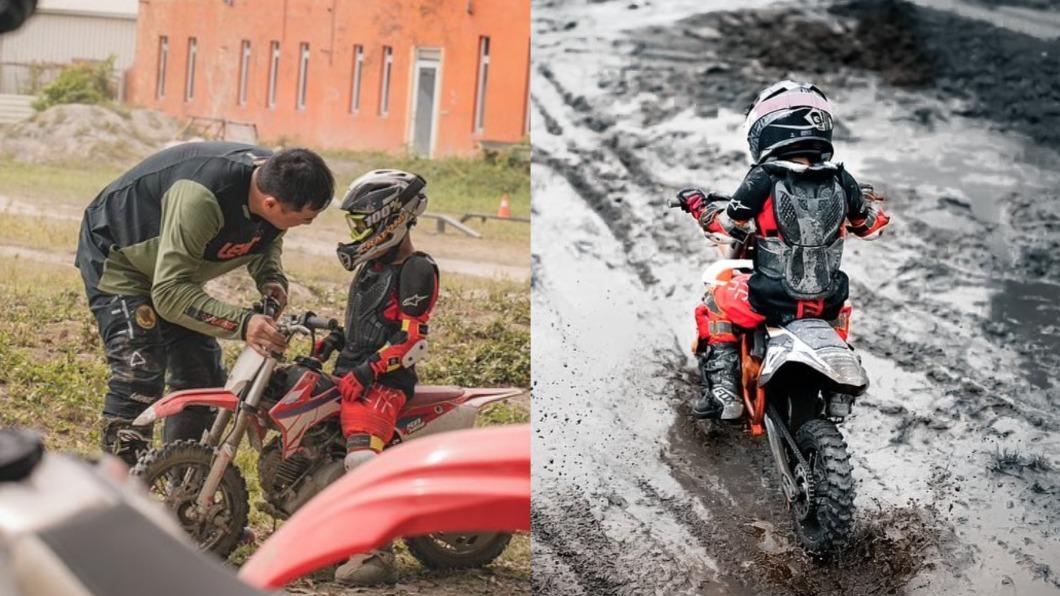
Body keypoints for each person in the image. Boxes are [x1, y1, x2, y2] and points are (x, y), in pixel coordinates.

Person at [75, 142, 334, 465]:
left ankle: (182, 481)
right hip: (121, 259)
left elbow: (266, 237)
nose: (308, 224)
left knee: (201, 373)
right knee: (139, 368)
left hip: (175, 271)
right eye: (305, 218)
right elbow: (169, 294)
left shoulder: (278, 179)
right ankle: (121, 489)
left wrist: (270, 278)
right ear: (270, 203)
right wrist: (244, 323)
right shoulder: (201, 198)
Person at [676, 81, 890, 420]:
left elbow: (727, 226)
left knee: (717, 301)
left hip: (770, 298)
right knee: (839, 311)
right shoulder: (842, 180)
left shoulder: (764, 176)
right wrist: (864, 206)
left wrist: (699, 206)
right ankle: (837, 387)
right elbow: (870, 227)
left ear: (766, 129)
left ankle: (723, 390)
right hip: (827, 301)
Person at [318, 169, 439, 585]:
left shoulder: (416, 270)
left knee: (361, 455)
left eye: (360, 224)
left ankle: (377, 553)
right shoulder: (370, 266)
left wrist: (371, 369)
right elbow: (365, 322)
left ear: (390, 219)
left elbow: (411, 340)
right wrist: (332, 339)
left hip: (386, 383)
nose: (355, 233)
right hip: (352, 372)